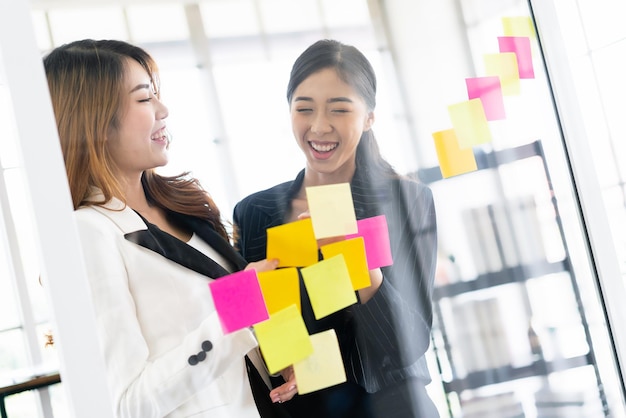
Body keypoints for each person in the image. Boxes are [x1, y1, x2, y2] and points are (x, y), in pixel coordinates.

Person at [43, 39, 282, 418]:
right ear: (96, 119)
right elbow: (127, 404)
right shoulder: (88, 232)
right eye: (144, 99)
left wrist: (281, 361)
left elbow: (237, 344)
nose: (164, 110)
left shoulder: (184, 205)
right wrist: (239, 310)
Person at [233, 39, 439, 418]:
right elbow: (246, 326)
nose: (319, 126)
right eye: (304, 108)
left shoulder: (405, 201)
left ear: (369, 116)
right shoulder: (254, 212)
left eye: (339, 109)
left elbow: (410, 343)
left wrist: (355, 261)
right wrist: (280, 357)